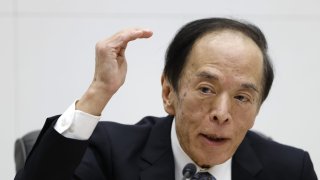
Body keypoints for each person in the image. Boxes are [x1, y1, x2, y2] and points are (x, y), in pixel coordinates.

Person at [15, 18, 317, 180]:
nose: (221, 113)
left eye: (241, 97)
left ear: (257, 110)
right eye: (205, 89)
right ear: (168, 92)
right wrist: (98, 91)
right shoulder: (110, 152)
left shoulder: (290, 169)